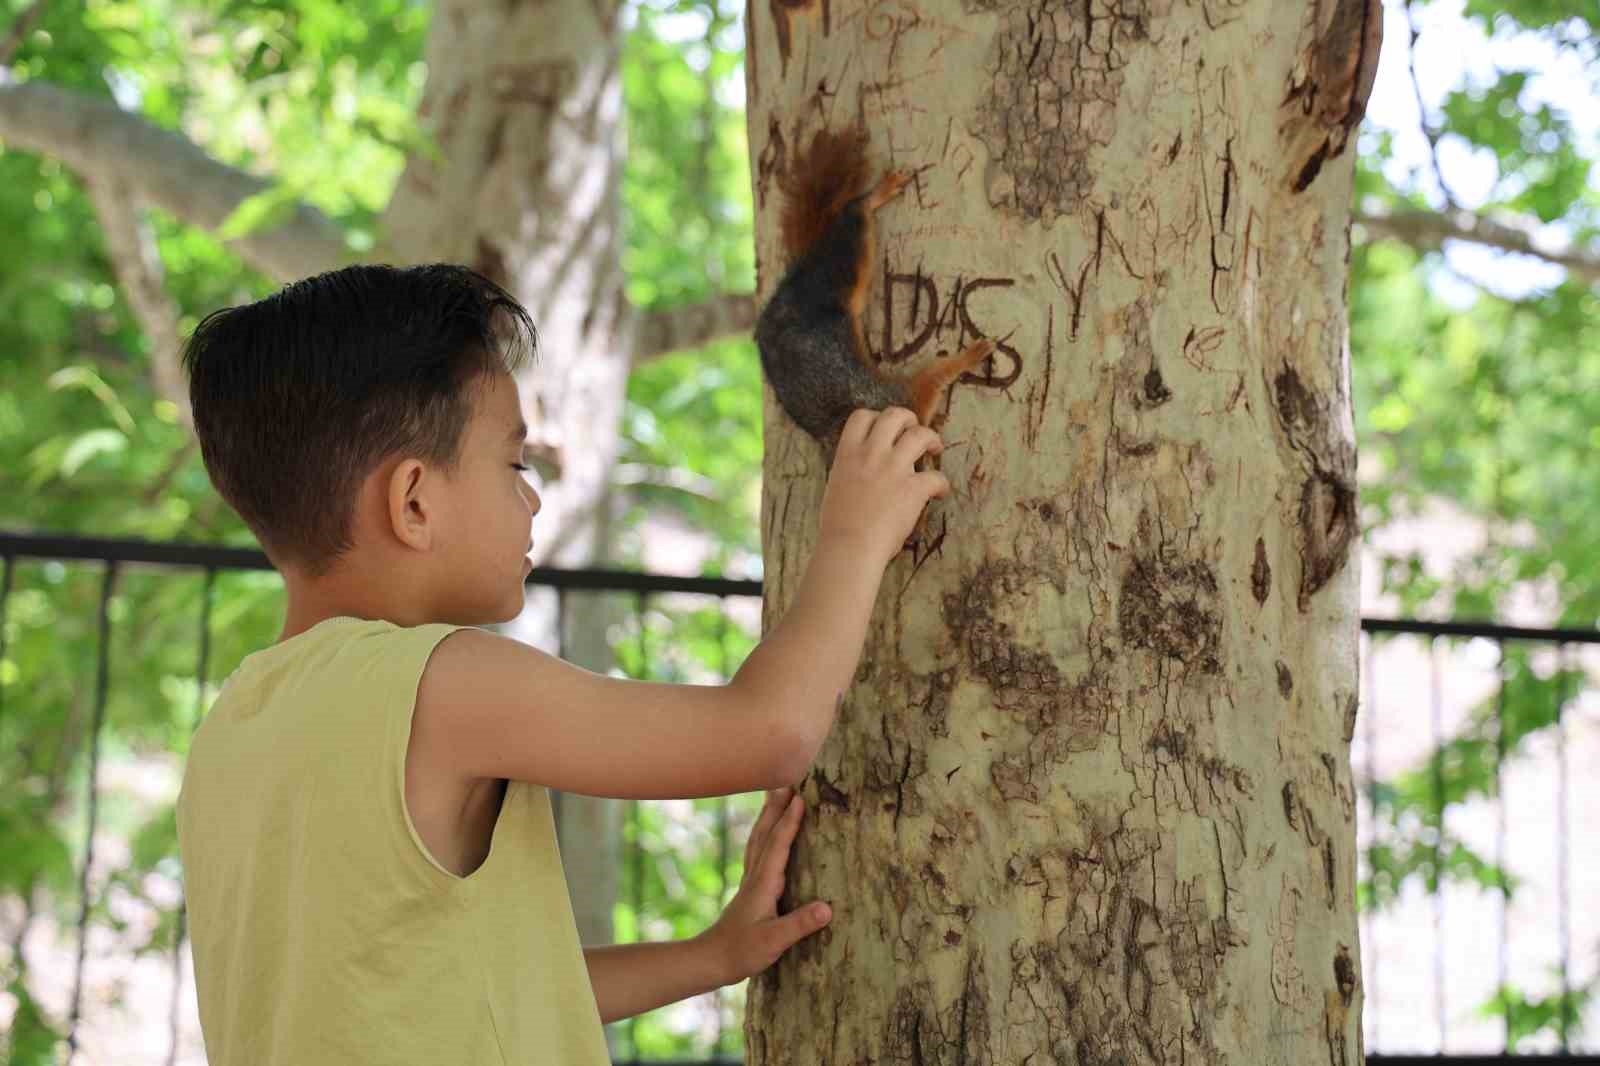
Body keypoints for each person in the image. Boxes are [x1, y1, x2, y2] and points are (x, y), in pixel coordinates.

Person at [174, 263, 950, 1065]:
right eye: (514, 465)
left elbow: (449, 992)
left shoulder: (231, 730)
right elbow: (770, 731)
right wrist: (856, 534)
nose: (533, 497)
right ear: (412, 502)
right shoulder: (443, 682)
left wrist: (710, 958)